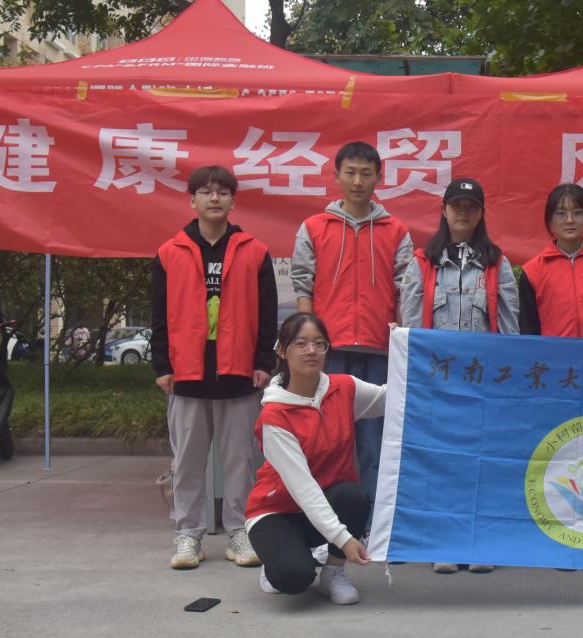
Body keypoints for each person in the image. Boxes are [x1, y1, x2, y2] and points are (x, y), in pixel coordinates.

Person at [151, 165, 277, 570]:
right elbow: (158, 315)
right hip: (186, 373)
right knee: (187, 461)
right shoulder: (170, 252)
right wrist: (161, 365)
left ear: (233, 200)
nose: (214, 198)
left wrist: (263, 362)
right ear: (192, 200)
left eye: (222, 192)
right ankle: (188, 534)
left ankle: (240, 531)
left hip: (238, 373)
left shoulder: (254, 251)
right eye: (205, 192)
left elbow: (268, 315)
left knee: (240, 460)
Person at [399, 177, 518, 574]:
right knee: (442, 462)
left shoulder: (497, 263)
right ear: (444, 210)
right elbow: (412, 328)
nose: (463, 212)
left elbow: (510, 328)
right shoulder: (422, 262)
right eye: (456, 205)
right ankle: (444, 543)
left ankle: (481, 543)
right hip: (439, 383)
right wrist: (419, 378)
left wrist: (506, 380)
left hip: (484, 383)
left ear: (481, 213)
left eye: (471, 206)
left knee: (483, 460)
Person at [290, 141, 413, 525]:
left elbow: (406, 288)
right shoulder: (314, 227)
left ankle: (374, 524)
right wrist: (309, 343)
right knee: (329, 442)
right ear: (337, 176)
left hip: (379, 351)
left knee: (376, 442)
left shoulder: (396, 231)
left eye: (366, 174)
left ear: (378, 178)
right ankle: (326, 524)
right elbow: (302, 284)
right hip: (332, 351)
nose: (358, 181)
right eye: (351, 173)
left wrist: (401, 338)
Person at [246, 313, 386, 603]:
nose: (311, 350)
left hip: (327, 502)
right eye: (301, 343)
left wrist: (406, 350)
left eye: (319, 343)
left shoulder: (344, 388)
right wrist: (344, 539)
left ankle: (333, 572)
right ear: (282, 350)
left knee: (353, 497)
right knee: (294, 578)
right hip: (277, 510)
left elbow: (393, 399)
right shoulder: (274, 415)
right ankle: (277, 559)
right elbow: (303, 488)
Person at [519, 183, 583, 338]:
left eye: (577, 213)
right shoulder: (533, 271)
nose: (569, 220)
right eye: (561, 213)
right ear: (550, 221)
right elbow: (528, 330)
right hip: (552, 353)